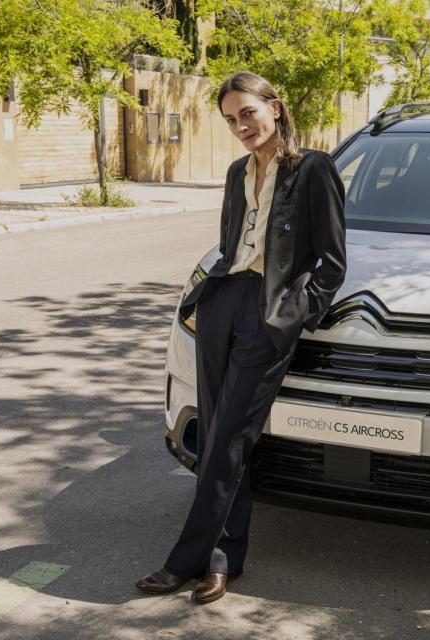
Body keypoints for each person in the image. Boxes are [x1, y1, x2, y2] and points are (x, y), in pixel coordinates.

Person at [135, 71, 347, 604]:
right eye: (231, 120)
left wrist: (296, 313)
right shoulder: (236, 173)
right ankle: (223, 558)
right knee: (215, 436)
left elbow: (332, 262)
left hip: (268, 314)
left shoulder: (314, 169)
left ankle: (185, 561)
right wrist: (209, 299)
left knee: (231, 437)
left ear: (275, 107)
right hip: (222, 304)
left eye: (248, 113)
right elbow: (230, 245)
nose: (241, 126)